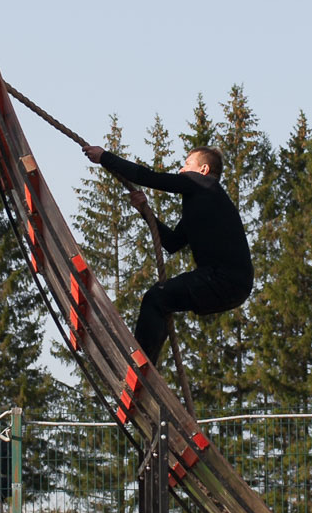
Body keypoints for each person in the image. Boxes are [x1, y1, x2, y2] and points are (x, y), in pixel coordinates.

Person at [81, 143, 253, 367]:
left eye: (187, 164)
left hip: (224, 278)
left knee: (156, 298)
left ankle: (141, 367)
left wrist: (105, 157)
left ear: (203, 170)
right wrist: (146, 212)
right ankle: (146, 369)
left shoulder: (203, 184)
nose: (181, 170)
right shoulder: (202, 204)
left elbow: (150, 177)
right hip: (233, 285)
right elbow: (172, 243)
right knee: (160, 301)